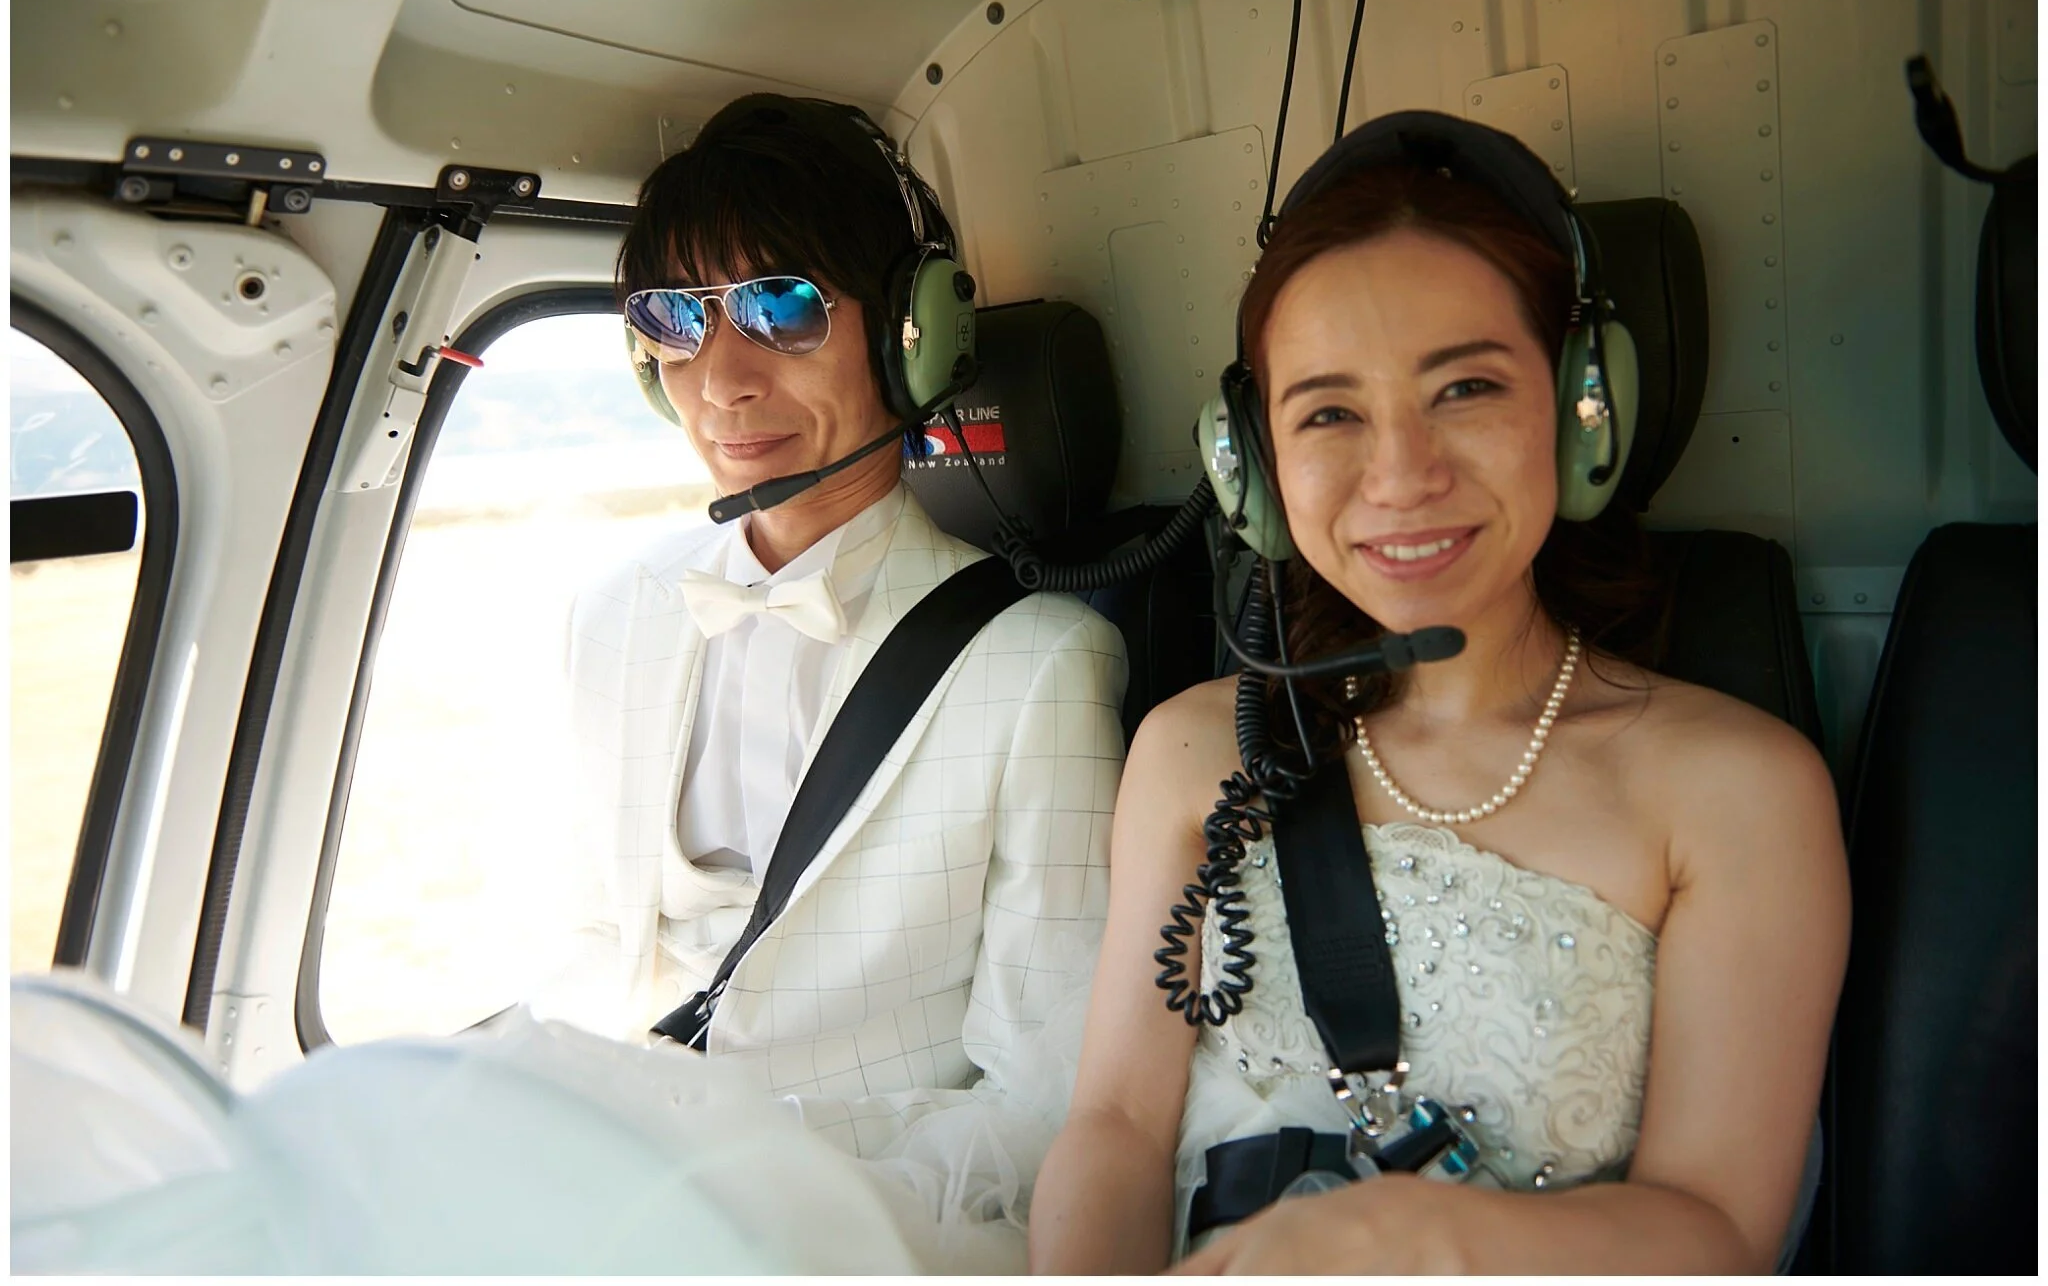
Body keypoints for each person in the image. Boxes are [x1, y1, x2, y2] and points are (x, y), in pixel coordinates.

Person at [1028, 114, 1849, 1273]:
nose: (1400, 475)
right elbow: (1112, 1128)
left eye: (1463, 387)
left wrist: (1406, 1235)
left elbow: (1713, 1229)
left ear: (1579, 410)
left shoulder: (1738, 790)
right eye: (1326, 411)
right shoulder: (1191, 748)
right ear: (1250, 462)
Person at [522, 94, 1128, 1248]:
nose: (722, 378)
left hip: (873, 1220)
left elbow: (1041, 1086)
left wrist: (777, 1220)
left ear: (913, 333)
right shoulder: (609, 614)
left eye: (783, 306)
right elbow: (588, 949)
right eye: (674, 319)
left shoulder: (1039, 664)